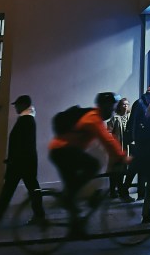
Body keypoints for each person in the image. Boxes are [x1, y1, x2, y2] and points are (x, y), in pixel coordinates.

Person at [48, 91, 130, 236]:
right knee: (93, 165)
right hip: (63, 150)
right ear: (104, 106)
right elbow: (107, 140)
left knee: (72, 188)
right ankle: (71, 200)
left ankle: (75, 227)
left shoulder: (93, 117)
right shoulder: (93, 118)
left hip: (62, 151)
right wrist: (122, 156)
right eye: (111, 107)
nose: (112, 111)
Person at [0, 94, 46, 227]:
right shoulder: (27, 119)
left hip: (21, 163)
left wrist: (13, 160)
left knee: (10, 191)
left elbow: (21, 144)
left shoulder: (26, 120)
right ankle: (39, 216)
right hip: (24, 162)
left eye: (17, 105)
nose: (16, 107)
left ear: (24, 105)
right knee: (31, 189)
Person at [124, 85, 150, 198]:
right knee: (137, 166)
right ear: (147, 95)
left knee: (140, 167)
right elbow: (133, 122)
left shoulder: (146, 104)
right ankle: (129, 190)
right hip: (139, 141)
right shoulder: (139, 104)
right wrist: (133, 139)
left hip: (144, 140)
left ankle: (140, 192)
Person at [106, 96, 132, 199]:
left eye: (127, 104)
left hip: (126, 148)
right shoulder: (115, 118)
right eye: (123, 104)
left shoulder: (130, 117)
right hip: (117, 148)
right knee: (115, 170)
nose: (125, 106)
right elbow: (108, 131)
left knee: (123, 170)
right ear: (119, 106)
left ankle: (119, 191)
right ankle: (114, 192)